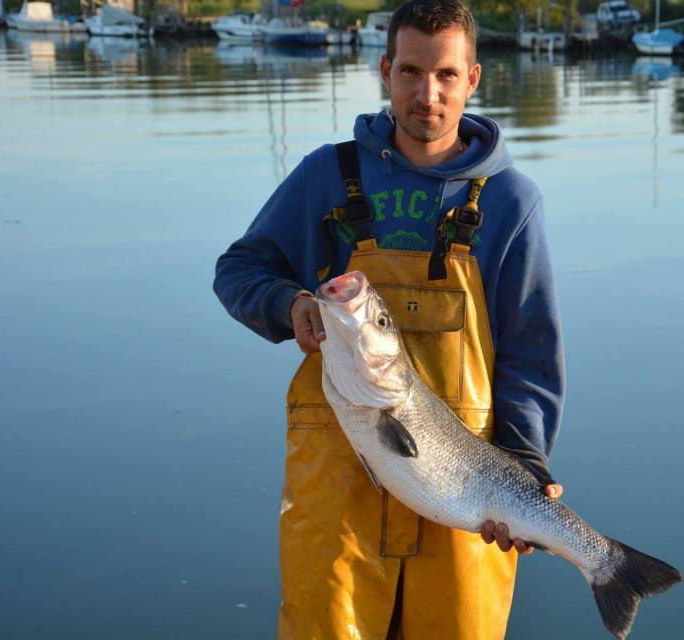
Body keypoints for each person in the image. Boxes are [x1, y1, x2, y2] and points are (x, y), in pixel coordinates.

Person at [213, 0, 564, 637]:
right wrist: (289, 304)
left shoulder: (512, 202)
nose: (426, 94)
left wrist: (524, 466)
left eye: (445, 75)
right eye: (409, 71)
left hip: (461, 482)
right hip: (338, 477)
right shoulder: (328, 175)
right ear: (384, 71)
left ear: (473, 79)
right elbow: (239, 270)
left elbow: (530, 354)